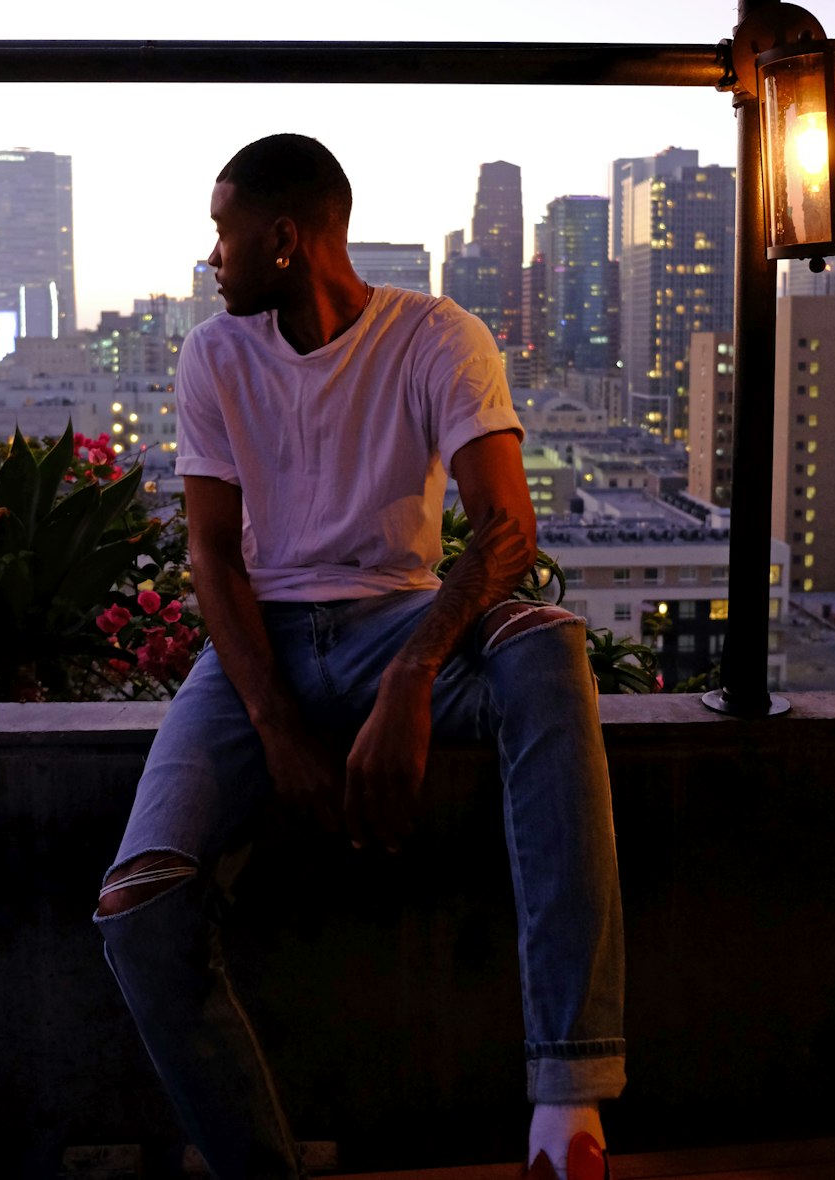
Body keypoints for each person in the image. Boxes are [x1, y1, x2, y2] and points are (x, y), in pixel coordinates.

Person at [95, 134, 625, 1180]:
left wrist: (412, 676)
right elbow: (209, 554)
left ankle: (569, 1097)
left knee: (548, 647)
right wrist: (278, 727)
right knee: (139, 902)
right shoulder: (213, 354)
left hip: (402, 622)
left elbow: (506, 531)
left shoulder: (438, 335)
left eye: (224, 233)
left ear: (284, 240)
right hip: (264, 645)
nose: (212, 257)